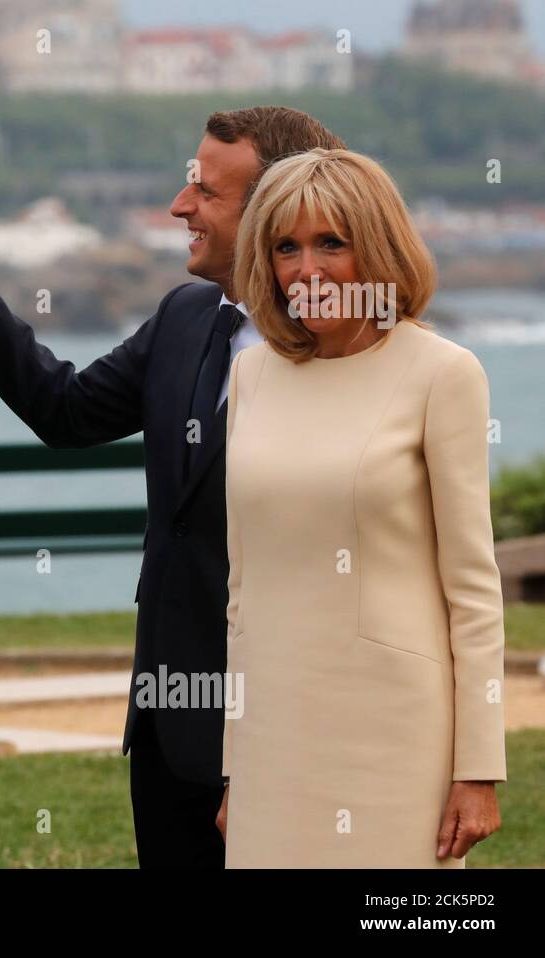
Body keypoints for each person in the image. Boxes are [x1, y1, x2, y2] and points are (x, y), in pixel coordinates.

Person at [0, 107, 345, 868]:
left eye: (204, 191)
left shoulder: (354, 351)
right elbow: (66, 410)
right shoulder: (185, 316)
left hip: (291, 723)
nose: (179, 207)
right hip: (168, 721)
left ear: (280, 206)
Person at [218, 148, 505, 867]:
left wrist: (477, 770)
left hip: (394, 737)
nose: (306, 270)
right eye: (286, 247)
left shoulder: (442, 373)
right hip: (271, 735)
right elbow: (241, 591)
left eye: (331, 243)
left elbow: (472, 589)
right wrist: (234, 762)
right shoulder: (251, 373)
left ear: (376, 248)